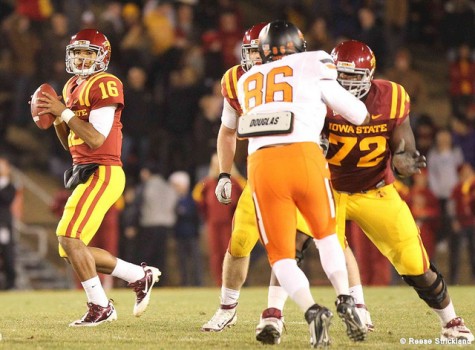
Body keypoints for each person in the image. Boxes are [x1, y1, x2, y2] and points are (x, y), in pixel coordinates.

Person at [202, 22, 373, 344]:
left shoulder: (246, 79)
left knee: (280, 256)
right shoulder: (312, 61)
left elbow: (240, 127)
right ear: (298, 45)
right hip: (306, 158)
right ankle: (345, 299)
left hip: (264, 166)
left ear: (263, 51)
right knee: (326, 237)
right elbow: (356, 113)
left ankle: (310, 310)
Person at [326, 39, 474, 341]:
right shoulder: (319, 95)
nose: (345, 81)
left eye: (353, 75)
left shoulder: (390, 97)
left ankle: (451, 321)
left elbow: (403, 142)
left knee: (414, 262)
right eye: (341, 74)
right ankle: (355, 307)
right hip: (330, 187)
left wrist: (404, 158)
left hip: (375, 189)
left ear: (369, 75)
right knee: (320, 246)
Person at [35, 29, 161, 326]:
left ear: (102, 56)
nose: (82, 57)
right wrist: (56, 118)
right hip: (85, 170)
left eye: (89, 52)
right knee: (69, 247)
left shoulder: (106, 83)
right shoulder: (70, 86)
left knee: (69, 236)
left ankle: (100, 306)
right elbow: (70, 142)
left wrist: (63, 113)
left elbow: (94, 138)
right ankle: (138, 276)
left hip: (103, 169)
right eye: (78, 52)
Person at [0, 155, 18, 290]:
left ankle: (10, 283)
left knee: (7, 253)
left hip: (3, 225)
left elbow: (7, 200)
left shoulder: (10, 186)